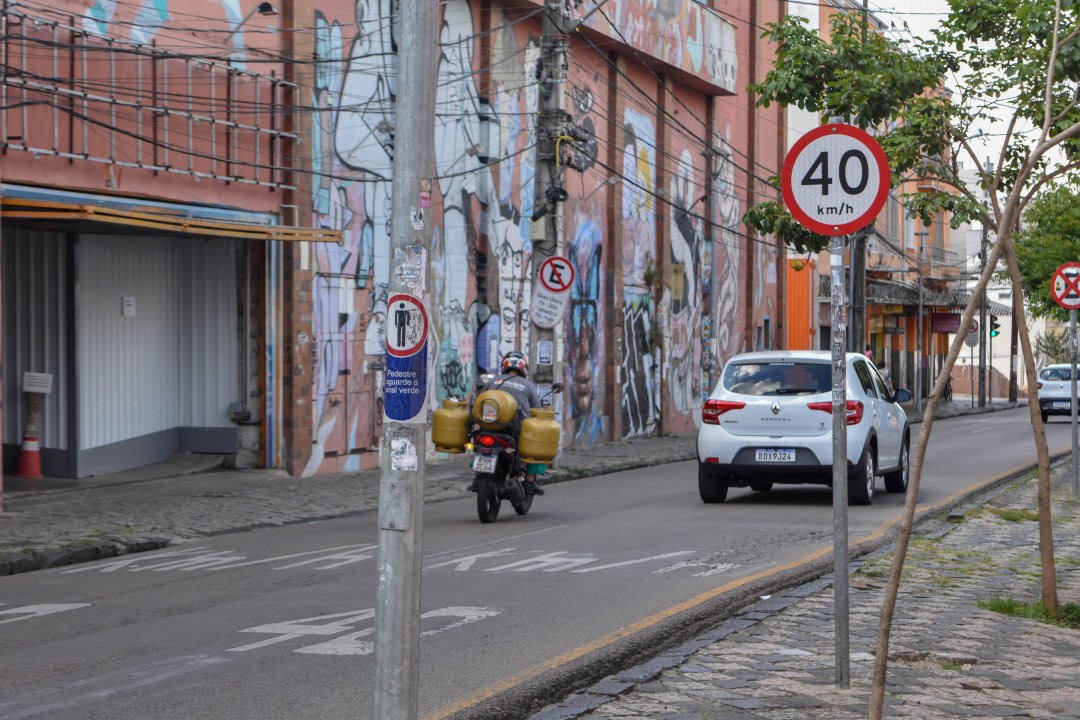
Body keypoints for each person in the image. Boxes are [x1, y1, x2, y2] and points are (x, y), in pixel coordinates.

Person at [479, 351, 545, 495]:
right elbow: (537, 410)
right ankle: (530, 481)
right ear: (524, 368)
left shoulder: (492, 381)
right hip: (514, 430)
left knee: (479, 445)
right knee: (535, 449)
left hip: (489, 427)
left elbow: (480, 401)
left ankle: (478, 472)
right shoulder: (528, 385)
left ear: (504, 366)